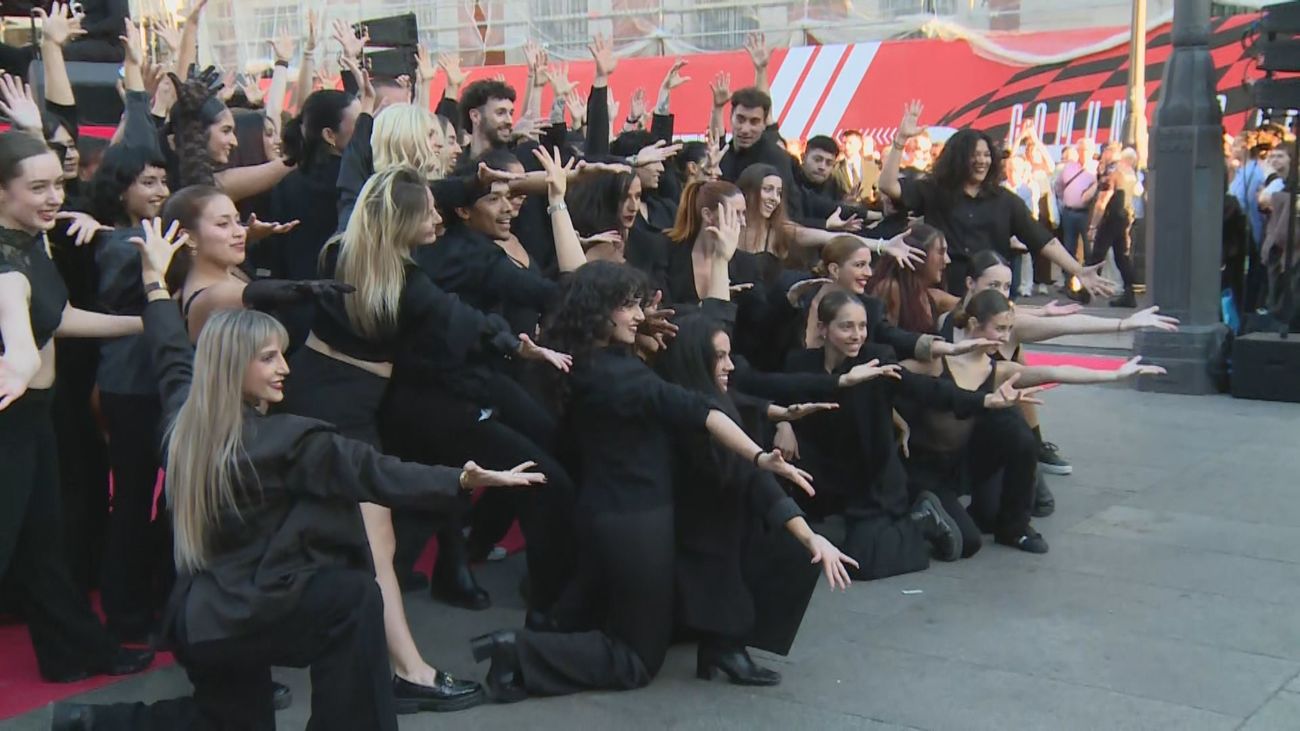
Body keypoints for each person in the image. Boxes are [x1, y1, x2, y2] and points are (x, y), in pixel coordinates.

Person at [49, 217, 545, 730]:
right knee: (354, 598)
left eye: (282, 355)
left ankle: (87, 723)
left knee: (227, 722)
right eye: (268, 358)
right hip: (241, 616)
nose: (285, 368)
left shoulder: (183, 418)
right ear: (233, 366)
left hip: (199, 620)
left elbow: (171, 347)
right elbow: (375, 472)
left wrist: (155, 281)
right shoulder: (285, 441)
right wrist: (461, 480)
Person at [467, 260, 817, 702]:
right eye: (629, 306)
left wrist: (642, 330)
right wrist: (760, 456)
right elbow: (703, 412)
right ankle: (516, 651)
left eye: (639, 305)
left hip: (601, 510)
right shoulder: (623, 378)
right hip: (634, 521)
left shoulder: (583, 360)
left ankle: (536, 642)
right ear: (599, 312)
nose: (639, 314)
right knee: (637, 659)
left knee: (580, 612)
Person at [0, 130, 153, 684]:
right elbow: (20, 330)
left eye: (57, 185)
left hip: (33, 419)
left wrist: (149, 323)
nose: (54, 198)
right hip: (11, 423)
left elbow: (58, 318)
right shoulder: (7, 267)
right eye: (37, 188)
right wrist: (19, 363)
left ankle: (73, 654)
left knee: (43, 548)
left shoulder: (28, 242)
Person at [783, 289, 1043, 576]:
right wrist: (783, 424)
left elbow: (929, 390)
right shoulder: (800, 362)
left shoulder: (877, 360)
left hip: (874, 479)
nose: (857, 335)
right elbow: (775, 391)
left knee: (861, 562)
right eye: (847, 326)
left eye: (862, 326)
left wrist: (985, 400)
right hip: (822, 472)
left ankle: (920, 522)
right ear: (823, 328)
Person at [657, 314, 856, 685]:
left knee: (779, 539)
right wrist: (809, 536)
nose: (730, 365)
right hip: (697, 530)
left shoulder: (703, 398)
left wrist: (781, 415)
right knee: (780, 544)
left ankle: (722, 645)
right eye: (719, 357)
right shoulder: (692, 413)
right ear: (696, 360)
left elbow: (745, 402)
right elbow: (751, 477)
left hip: (717, 519)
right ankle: (724, 645)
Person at [902, 289, 1166, 554]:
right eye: (999, 329)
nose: (1006, 337)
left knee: (1015, 430)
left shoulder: (1000, 370)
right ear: (973, 324)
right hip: (924, 469)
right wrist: (899, 423)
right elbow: (890, 377)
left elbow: (1055, 372)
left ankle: (1014, 528)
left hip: (962, 465)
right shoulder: (937, 362)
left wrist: (1115, 373)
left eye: (1009, 329)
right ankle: (914, 515)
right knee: (968, 543)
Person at [879, 102, 1115, 299]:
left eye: (986, 155)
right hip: (945, 292)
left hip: (991, 297)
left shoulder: (1005, 201)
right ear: (958, 158)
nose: (982, 161)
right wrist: (900, 140)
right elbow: (888, 186)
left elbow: (1043, 240)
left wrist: (1077, 270)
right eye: (975, 155)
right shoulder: (934, 190)